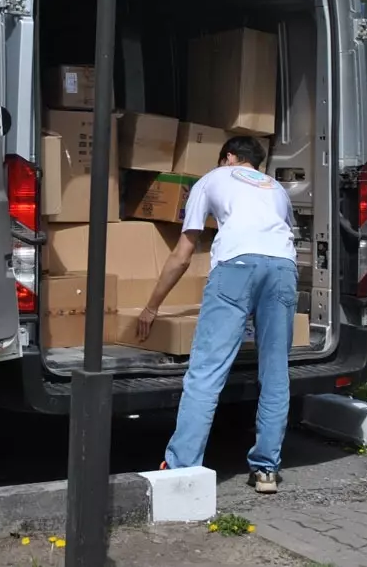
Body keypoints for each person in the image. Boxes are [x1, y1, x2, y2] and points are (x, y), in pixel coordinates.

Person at [137, 135, 297, 494]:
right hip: (283, 269)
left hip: (236, 265)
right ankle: (266, 469)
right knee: (275, 372)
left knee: (207, 372)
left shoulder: (211, 178)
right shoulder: (276, 188)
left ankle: (182, 466)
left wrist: (152, 306)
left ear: (228, 157)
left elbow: (184, 252)